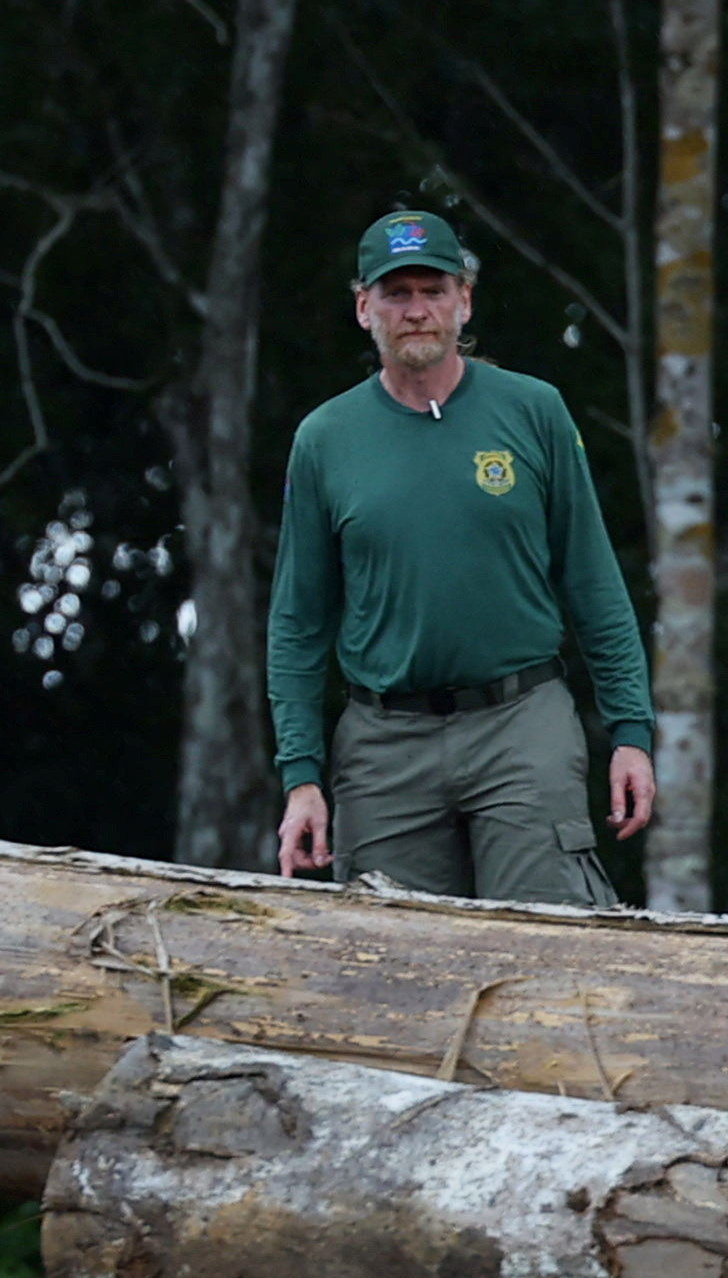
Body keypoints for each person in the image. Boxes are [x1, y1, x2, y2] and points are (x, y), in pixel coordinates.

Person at [266, 207, 655, 905]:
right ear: (364, 308)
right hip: (384, 741)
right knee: (389, 965)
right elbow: (298, 620)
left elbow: (593, 581)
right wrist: (301, 776)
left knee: (548, 943)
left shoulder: (535, 411)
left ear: (463, 300)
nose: (416, 310)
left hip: (520, 721)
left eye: (432, 290)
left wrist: (631, 731)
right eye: (395, 293)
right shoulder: (325, 439)